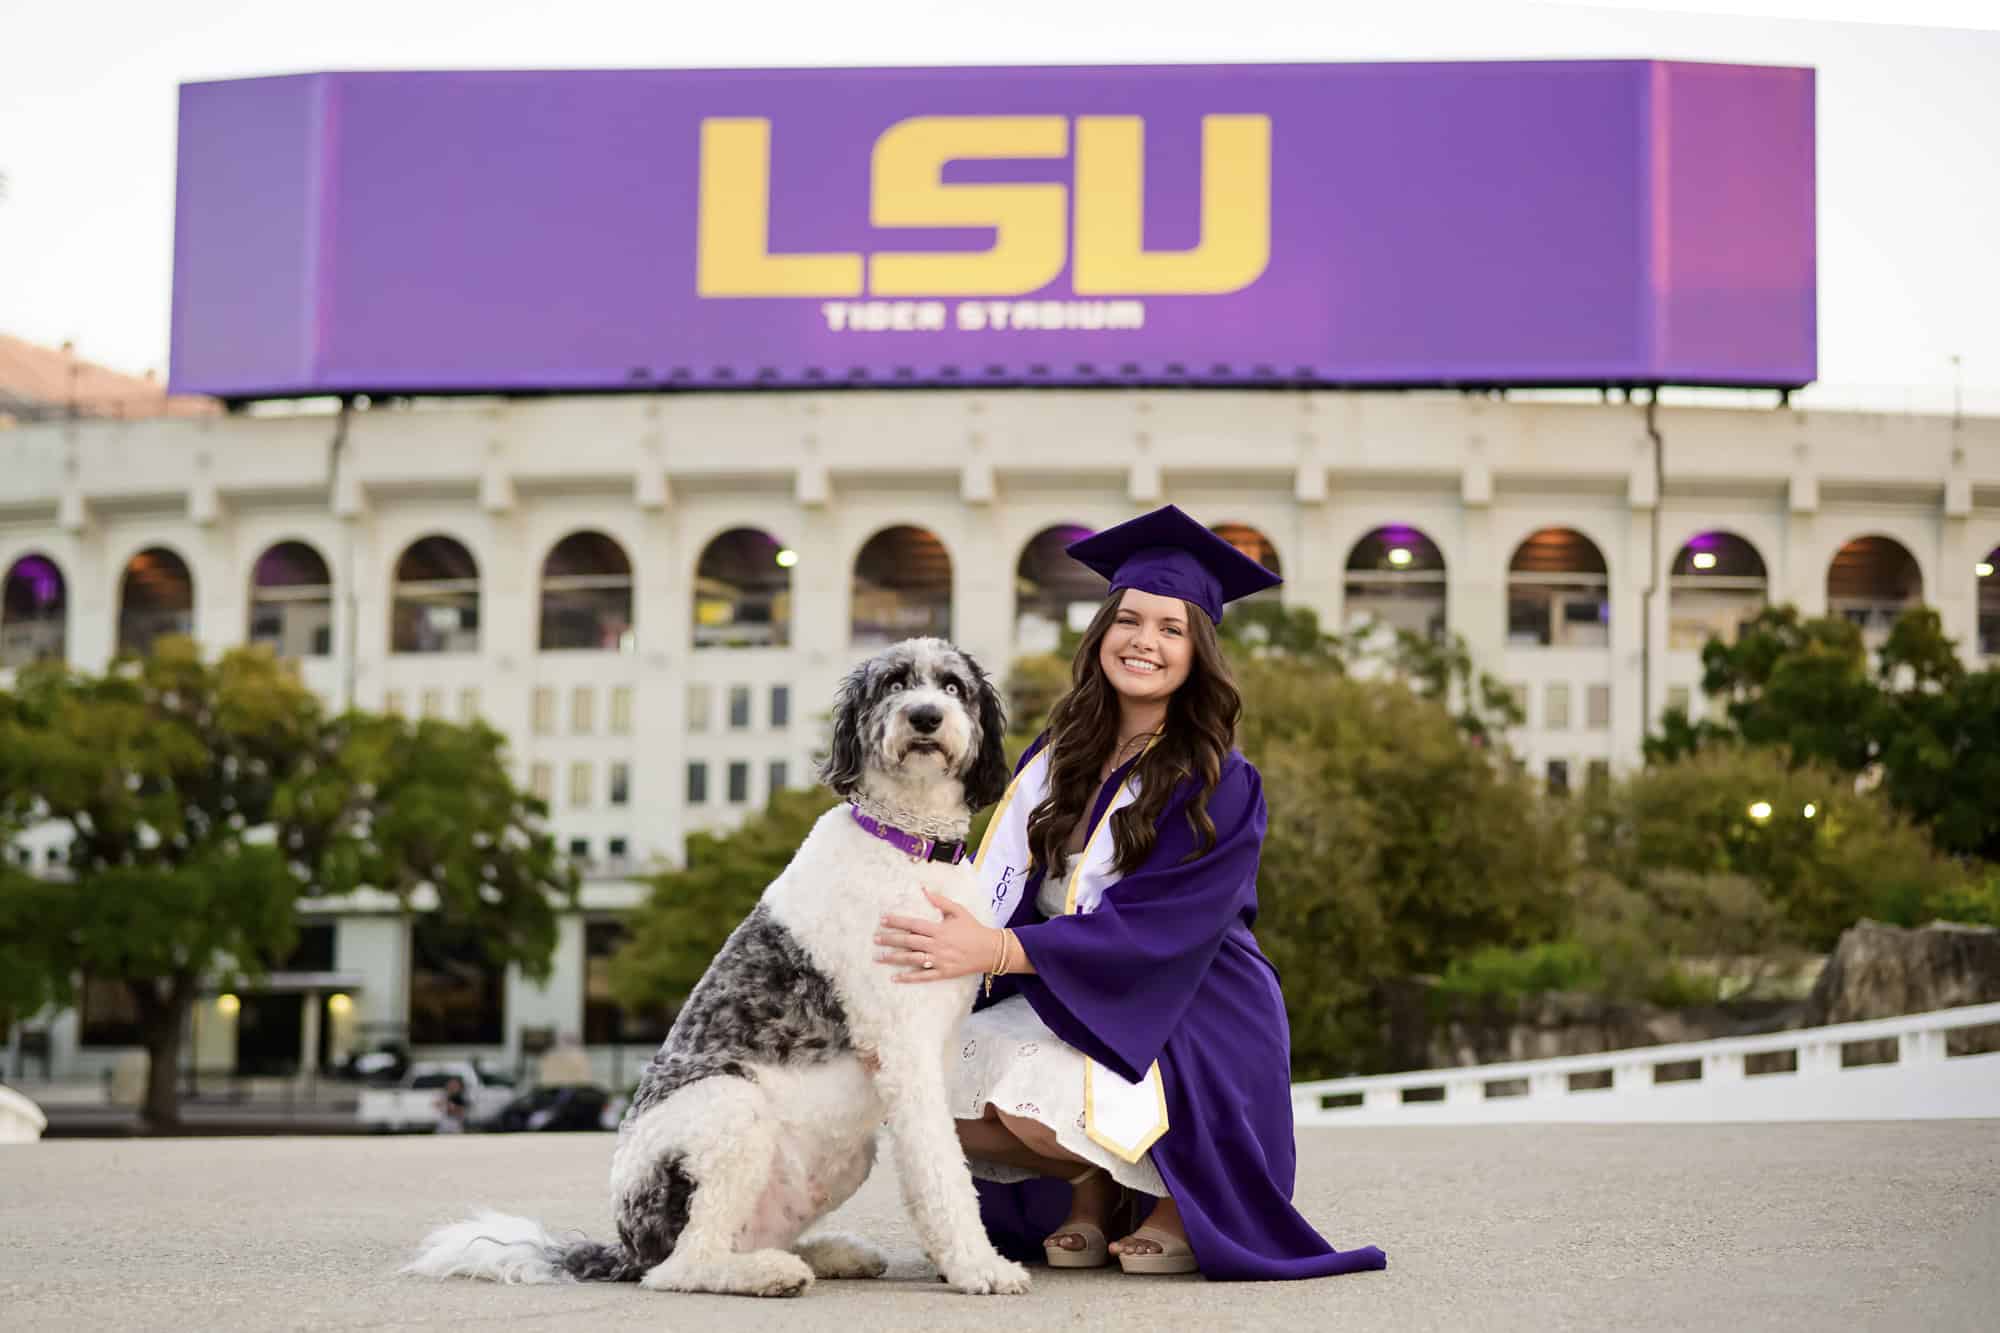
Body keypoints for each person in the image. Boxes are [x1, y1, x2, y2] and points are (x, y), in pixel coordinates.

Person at [874, 505, 1387, 1281]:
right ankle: (1094, 1183)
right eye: (1131, 619)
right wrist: (946, 946)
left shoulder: (1220, 781)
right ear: (1102, 631)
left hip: (1187, 1003)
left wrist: (1001, 950)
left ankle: (1172, 1200)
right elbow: (1008, 882)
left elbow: (1161, 930)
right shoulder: (1059, 753)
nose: (1145, 641)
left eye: (1171, 629)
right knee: (905, 1082)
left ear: (1198, 653)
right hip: (1058, 979)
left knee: (1019, 1101)